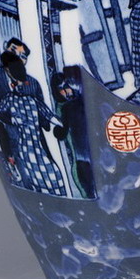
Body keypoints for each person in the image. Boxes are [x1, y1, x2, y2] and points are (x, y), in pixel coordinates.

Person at [0, 38, 66, 194]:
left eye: (22, 56)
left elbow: (43, 111)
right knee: (24, 176)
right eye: (13, 50)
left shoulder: (32, 83)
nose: (16, 56)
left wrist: (55, 123)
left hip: (34, 139)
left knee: (45, 172)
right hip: (9, 136)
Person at [51, 69, 96, 199]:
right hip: (82, 152)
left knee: (87, 182)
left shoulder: (70, 106)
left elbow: (61, 133)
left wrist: (56, 130)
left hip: (84, 151)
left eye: (66, 87)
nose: (66, 91)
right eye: (61, 89)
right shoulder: (69, 105)